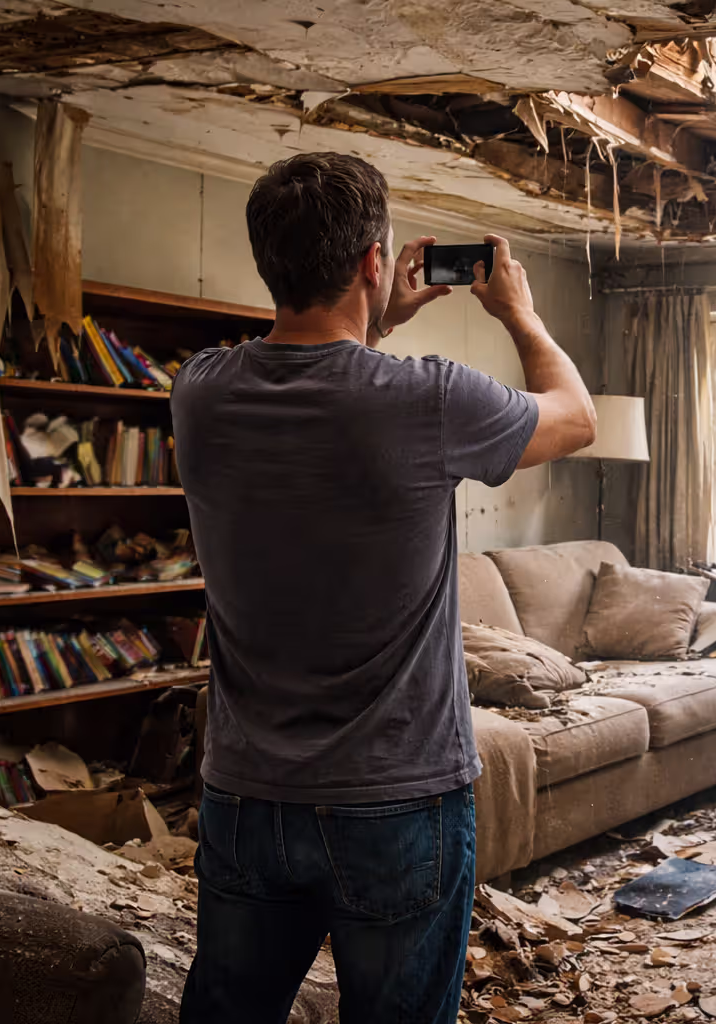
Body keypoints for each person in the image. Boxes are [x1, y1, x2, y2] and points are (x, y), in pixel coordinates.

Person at [172, 151, 596, 1023]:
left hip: (247, 794)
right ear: (374, 261)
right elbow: (577, 416)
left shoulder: (200, 392)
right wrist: (519, 312)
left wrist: (373, 322)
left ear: (268, 262)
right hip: (397, 802)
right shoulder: (425, 401)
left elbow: (314, 374)